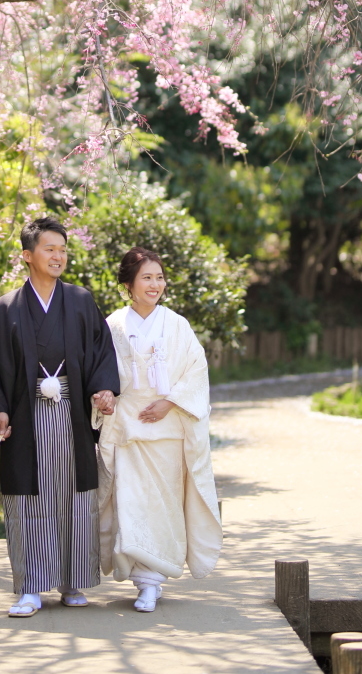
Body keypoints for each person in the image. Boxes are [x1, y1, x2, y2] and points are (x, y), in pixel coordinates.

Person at [0, 216, 120, 617]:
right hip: (26, 413)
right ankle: (31, 586)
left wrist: (104, 389)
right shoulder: (4, 310)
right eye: (49, 249)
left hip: (71, 412)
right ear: (27, 255)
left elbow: (101, 352)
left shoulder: (81, 301)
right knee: (29, 497)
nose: (58, 256)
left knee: (75, 493)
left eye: (62, 249)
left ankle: (73, 580)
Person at [98, 246, 222, 611]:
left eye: (160, 277)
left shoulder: (177, 325)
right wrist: (103, 397)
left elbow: (196, 372)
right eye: (147, 278)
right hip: (127, 428)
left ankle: (152, 581)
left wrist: (169, 403)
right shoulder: (113, 325)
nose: (155, 284)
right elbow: (101, 372)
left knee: (163, 506)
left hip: (167, 429)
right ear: (128, 284)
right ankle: (143, 580)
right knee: (131, 504)